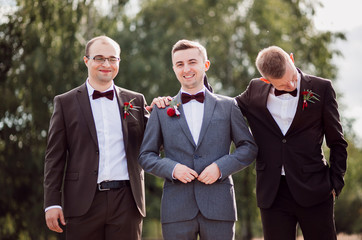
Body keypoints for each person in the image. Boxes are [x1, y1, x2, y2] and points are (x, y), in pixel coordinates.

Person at [138, 39, 258, 240]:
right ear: (174, 68)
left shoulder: (228, 106)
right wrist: (173, 168)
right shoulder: (160, 110)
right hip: (176, 209)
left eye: (192, 62)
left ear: (206, 65)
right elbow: (146, 156)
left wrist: (220, 168)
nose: (186, 69)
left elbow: (248, 147)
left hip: (220, 207)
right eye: (180, 64)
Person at [235, 46, 348, 240]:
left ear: (292, 60)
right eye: (283, 85)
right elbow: (225, 109)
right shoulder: (254, 90)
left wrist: (335, 183)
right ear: (265, 80)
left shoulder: (322, 88)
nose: (292, 85)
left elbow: (337, 141)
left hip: (316, 189)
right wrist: (171, 103)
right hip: (273, 193)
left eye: (293, 78)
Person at [44, 36, 150, 240]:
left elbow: (154, 143)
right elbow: (54, 158)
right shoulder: (65, 103)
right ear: (86, 61)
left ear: (119, 61)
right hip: (82, 201)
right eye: (99, 58)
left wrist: (165, 111)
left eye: (112, 59)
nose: (106, 64)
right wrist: (52, 202)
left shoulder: (136, 100)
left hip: (127, 201)